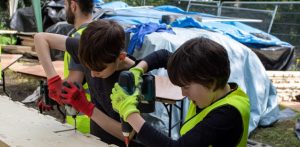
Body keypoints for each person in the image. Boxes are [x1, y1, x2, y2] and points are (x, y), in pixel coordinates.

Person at [110, 37, 251, 147]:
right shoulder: (207, 84)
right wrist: (138, 70)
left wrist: (129, 113)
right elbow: (163, 56)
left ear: (210, 81)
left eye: (186, 87)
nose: (183, 94)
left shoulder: (227, 114)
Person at [34, 19, 144, 146]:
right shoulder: (91, 51)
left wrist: (86, 107)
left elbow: (128, 134)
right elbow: (40, 38)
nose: (92, 74)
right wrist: (53, 79)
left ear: (121, 57)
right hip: (95, 141)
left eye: (98, 69)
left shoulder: (134, 77)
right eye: (88, 66)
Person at [38, 0, 93, 134]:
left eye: (65, 5)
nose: (64, 9)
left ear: (73, 6)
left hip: (84, 121)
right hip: (98, 117)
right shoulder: (99, 32)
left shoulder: (80, 37)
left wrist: (53, 91)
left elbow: (74, 84)